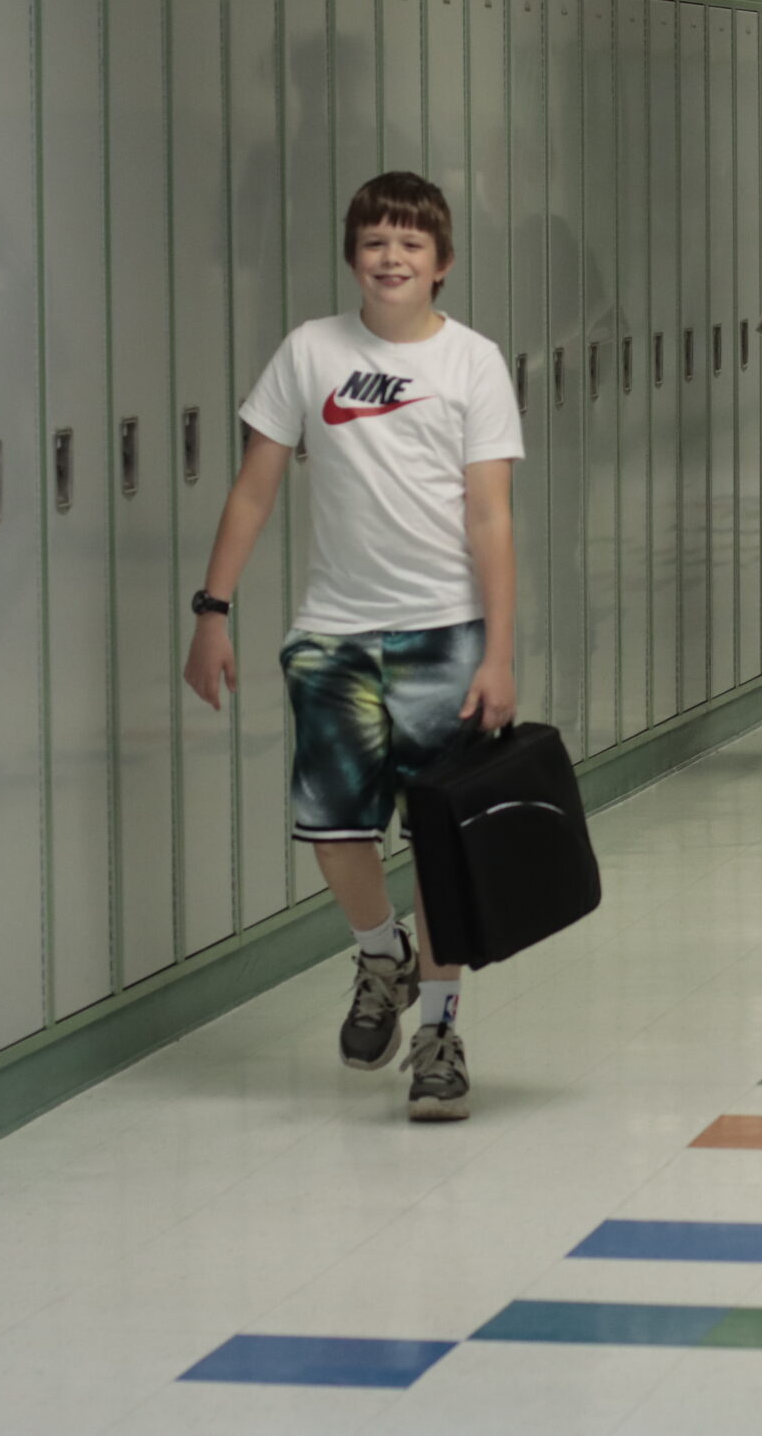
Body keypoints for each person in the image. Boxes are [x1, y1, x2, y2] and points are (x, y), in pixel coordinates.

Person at [182, 172, 523, 1121]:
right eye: (375, 240)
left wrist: (498, 652)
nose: (392, 256)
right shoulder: (310, 351)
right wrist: (213, 610)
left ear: (442, 264)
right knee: (334, 829)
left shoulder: (473, 363)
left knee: (443, 847)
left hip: (445, 634)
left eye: (411, 244)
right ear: (352, 255)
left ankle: (441, 1035)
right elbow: (255, 488)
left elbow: (491, 515)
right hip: (332, 634)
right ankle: (382, 953)